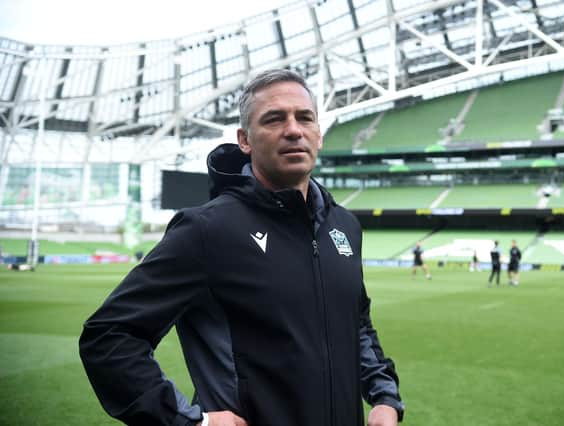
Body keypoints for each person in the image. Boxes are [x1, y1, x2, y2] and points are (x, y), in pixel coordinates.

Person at [79, 69, 403, 426]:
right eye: (274, 119)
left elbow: (356, 324)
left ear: (318, 134)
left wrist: (384, 395)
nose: (293, 129)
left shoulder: (345, 226)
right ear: (244, 140)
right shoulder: (208, 229)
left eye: (304, 118)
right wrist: (191, 421)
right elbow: (110, 336)